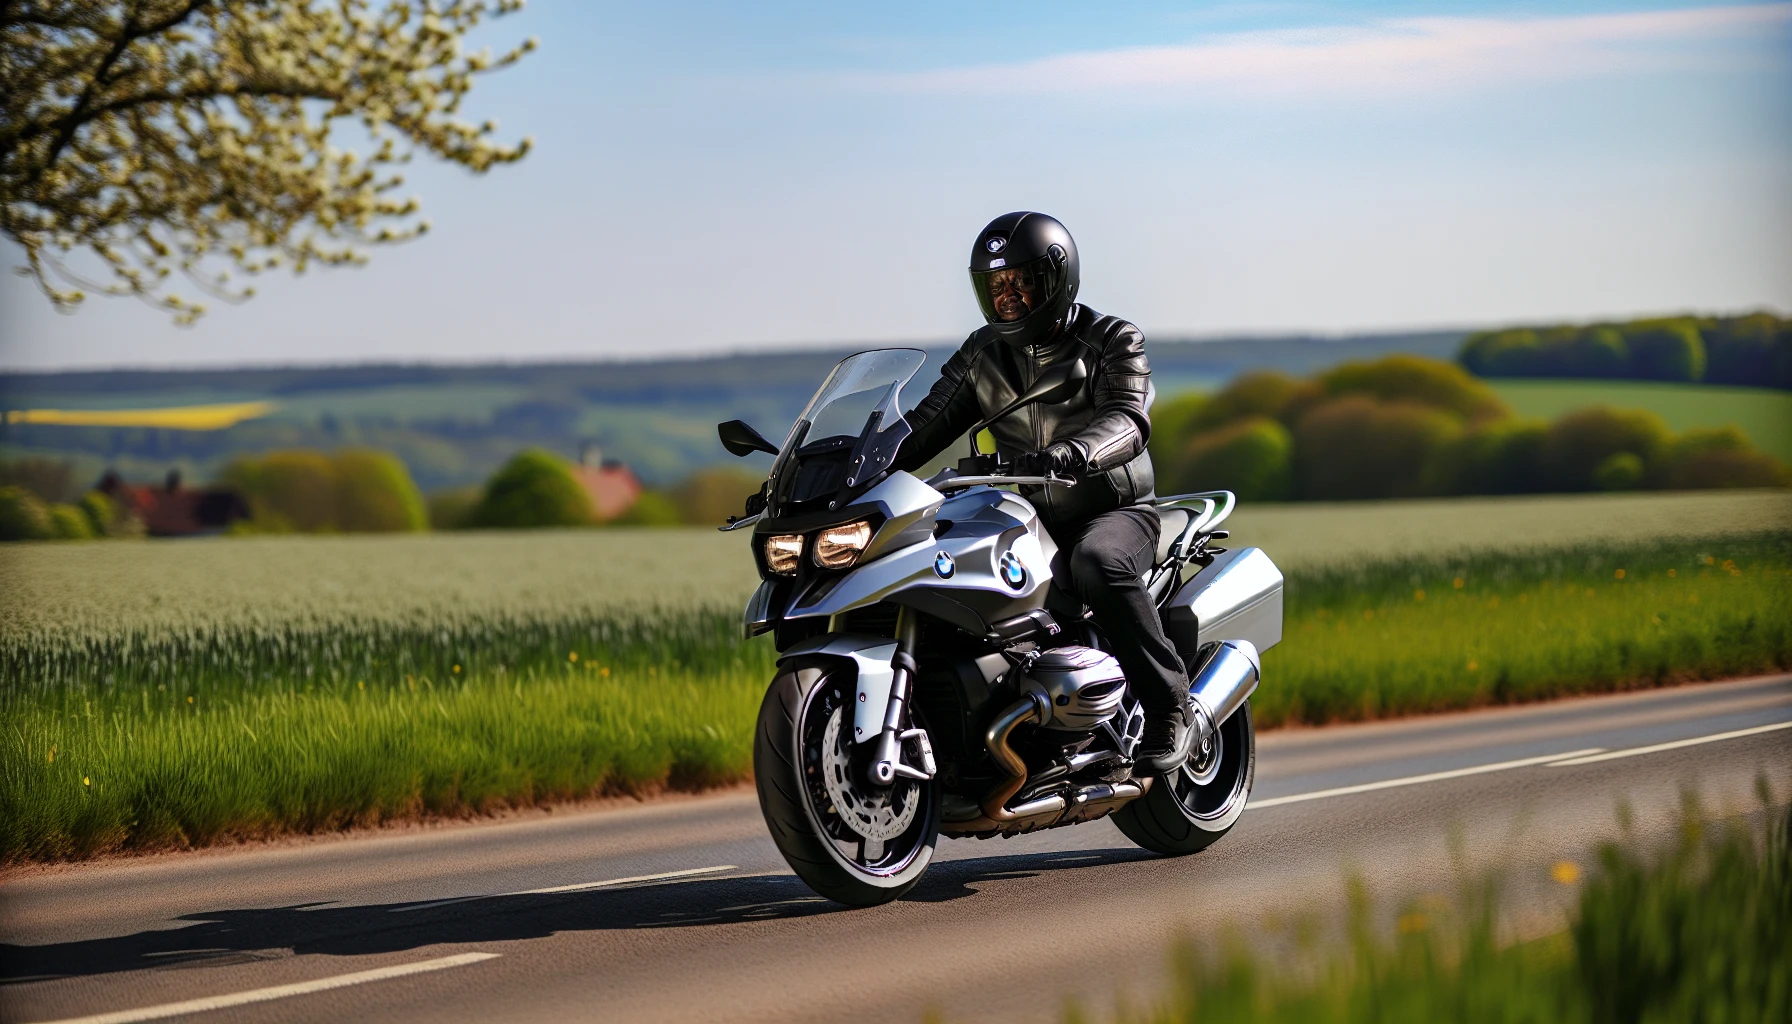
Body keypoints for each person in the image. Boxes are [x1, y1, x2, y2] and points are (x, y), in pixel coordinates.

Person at [891, 212, 1196, 776]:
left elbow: (1129, 419)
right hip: (1022, 516)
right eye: (995, 285)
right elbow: (922, 425)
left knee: (1098, 562)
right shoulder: (982, 354)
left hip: (1110, 508)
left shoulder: (1112, 339)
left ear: (1056, 278)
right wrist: (844, 468)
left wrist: (1074, 453)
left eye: (1020, 281)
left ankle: (1168, 703)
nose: (1007, 296)